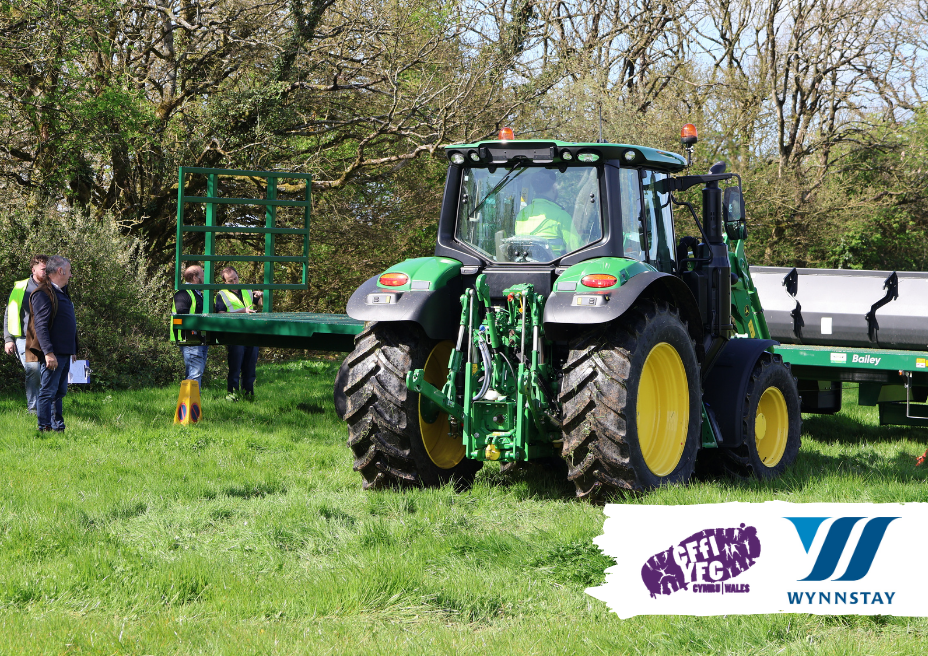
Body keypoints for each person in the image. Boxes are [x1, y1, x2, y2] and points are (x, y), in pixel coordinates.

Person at [26, 255, 77, 432]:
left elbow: (68, 323)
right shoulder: (43, 293)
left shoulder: (61, 292)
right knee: (48, 392)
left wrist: (73, 348)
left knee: (59, 392)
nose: (71, 275)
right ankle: (44, 427)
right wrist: (48, 353)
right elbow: (40, 326)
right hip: (53, 353)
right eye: (69, 271)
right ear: (60, 271)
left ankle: (58, 427)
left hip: (64, 351)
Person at [3, 254, 48, 414]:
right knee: (33, 369)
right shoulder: (20, 287)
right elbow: (9, 313)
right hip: (24, 338)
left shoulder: (53, 287)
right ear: (33, 269)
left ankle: (47, 407)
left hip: (47, 338)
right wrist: (8, 339)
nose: (46, 272)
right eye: (43, 269)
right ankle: (34, 409)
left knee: (47, 372)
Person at [215, 266, 263, 401]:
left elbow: (260, 304)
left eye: (236, 278)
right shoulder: (221, 295)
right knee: (235, 368)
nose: (235, 282)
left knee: (250, 368)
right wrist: (242, 311)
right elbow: (220, 314)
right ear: (224, 282)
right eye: (230, 281)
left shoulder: (246, 290)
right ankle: (233, 396)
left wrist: (261, 295)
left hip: (251, 332)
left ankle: (249, 396)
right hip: (235, 334)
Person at [514, 169, 581, 258]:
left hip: (525, 263)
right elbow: (577, 249)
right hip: (555, 264)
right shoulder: (561, 215)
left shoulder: (522, 215)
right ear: (554, 187)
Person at [171, 264, 209, 390]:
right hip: (189, 338)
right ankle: (192, 401)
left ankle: (189, 400)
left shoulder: (198, 293)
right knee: (195, 373)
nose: (205, 278)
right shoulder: (183, 293)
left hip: (199, 338)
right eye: (202, 275)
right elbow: (183, 314)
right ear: (194, 278)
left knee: (195, 372)